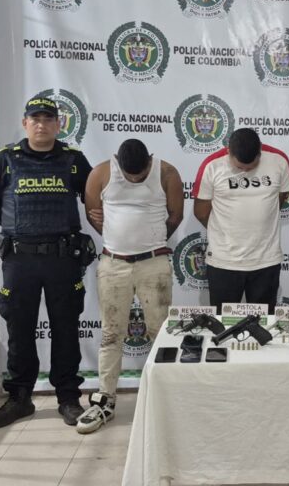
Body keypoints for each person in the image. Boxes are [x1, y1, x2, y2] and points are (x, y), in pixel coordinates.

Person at [0, 97, 94, 429]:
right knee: (20, 328)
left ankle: (68, 398)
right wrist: (17, 227)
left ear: (58, 124)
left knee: (66, 328)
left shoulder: (73, 160)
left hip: (62, 258)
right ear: (25, 123)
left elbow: (93, 195)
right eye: (35, 119)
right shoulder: (5, 160)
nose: (41, 124)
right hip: (20, 259)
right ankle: (20, 398)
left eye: (48, 119)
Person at [75, 139, 183, 434]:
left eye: (140, 175)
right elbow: (93, 213)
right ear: (118, 163)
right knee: (111, 334)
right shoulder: (100, 173)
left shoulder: (167, 173)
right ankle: (105, 401)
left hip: (154, 264)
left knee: (161, 334)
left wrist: (152, 240)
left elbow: (176, 216)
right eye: (129, 175)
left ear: (150, 161)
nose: (135, 180)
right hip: (114, 264)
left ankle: (165, 400)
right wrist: (116, 238)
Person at [193, 128, 289, 312]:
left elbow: (280, 198)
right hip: (224, 261)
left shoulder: (279, 160)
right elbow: (201, 211)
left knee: (264, 322)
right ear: (229, 152)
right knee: (222, 323)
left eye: (252, 166)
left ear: (260, 152)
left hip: (266, 261)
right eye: (239, 168)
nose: (246, 171)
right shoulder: (212, 165)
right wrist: (227, 231)